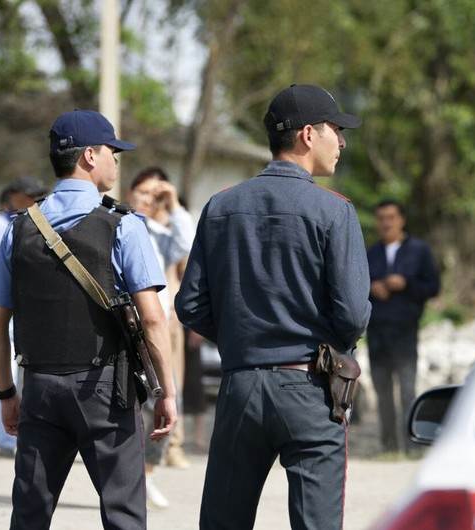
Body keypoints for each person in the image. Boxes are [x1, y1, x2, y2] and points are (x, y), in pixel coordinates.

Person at [176, 84, 371, 530]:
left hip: (240, 385)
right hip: (310, 387)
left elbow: (189, 304)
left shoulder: (220, 205)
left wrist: (244, 337)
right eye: (336, 130)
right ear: (308, 134)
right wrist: (326, 347)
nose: (341, 141)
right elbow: (354, 315)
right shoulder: (334, 211)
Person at [0, 109, 177, 528]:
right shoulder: (123, 225)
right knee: (123, 514)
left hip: (39, 387)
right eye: (112, 151)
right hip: (104, 390)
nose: (115, 160)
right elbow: (153, 319)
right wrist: (166, 392)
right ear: (90, 155)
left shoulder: (18, 229)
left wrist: (6, 394)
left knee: (30, 515)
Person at [127, 166, 194, 508]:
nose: (148, 199)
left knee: (164, 400)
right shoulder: (118, 226)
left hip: (161, 326)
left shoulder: (158, 233)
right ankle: (126, 478)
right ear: (130, 192)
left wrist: (175, 202)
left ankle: (148, 475)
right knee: (129, 404)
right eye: (143, 191)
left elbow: (188, 242)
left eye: (156, 194)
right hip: (127, 327)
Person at [0, 176, 48, 458]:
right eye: (29, 195)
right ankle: (6, 441)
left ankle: (32, 436)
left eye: (38, 194)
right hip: (2, 308)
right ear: (13, 196)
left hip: (32, 311)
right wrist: (1, 290)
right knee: (3, 377)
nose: (34, 199)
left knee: (34, 376)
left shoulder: (44, 221)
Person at [366, 198, 440, 454]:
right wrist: (370, 287)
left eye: (391, 217)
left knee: (408, 391)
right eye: (381, 218)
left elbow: (433, 287)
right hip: (376, 332)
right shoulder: (370, 253)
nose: (386, 223)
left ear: (401, 220)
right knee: (382, 393)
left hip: (405, 332)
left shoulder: (419, 251)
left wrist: (405, 284)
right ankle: (388, 447)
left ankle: (412, 446)